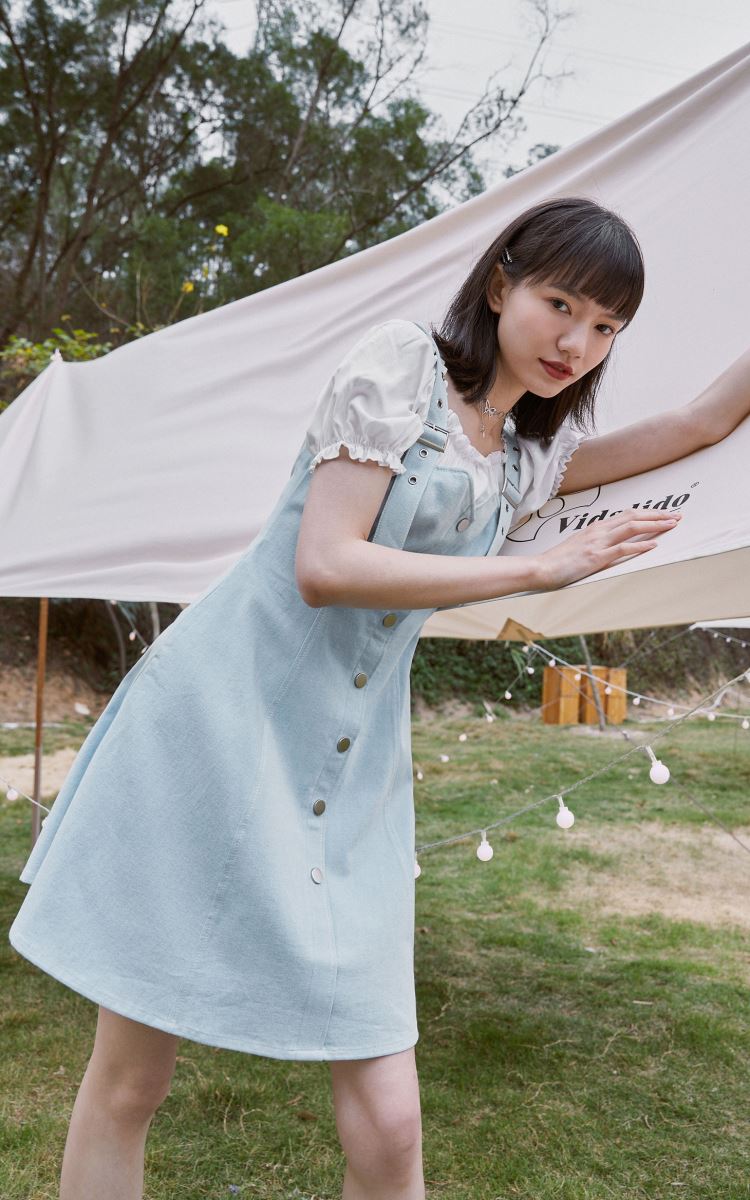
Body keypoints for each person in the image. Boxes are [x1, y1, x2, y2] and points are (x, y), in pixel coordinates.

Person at [11, 193, 749, 1200]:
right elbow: (326, 564)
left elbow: (703, 421)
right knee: (133, 1080)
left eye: (606, 326)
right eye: (561, 305)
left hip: (350, 779)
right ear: (501, 286)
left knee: (394, 1129)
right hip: (216, 726)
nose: (577, 343)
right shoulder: (399, 368)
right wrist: (535, 572)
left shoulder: (525, 460)